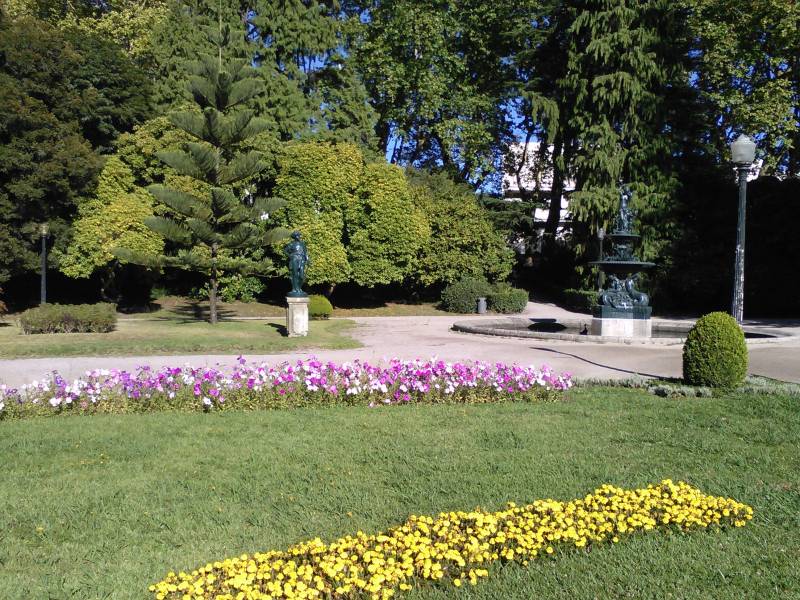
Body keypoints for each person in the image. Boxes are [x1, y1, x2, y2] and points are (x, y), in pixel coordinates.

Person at [284, 231, 309, 297]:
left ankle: (299, 287)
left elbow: (305, 253)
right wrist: (290, 256)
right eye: (297, 235)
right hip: (294, 259)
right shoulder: (291, 244)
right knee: (295, 274)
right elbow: (285, 251)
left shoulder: (302, 244)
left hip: (301, 259)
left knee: (301, 275)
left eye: (299, 235)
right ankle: (295, 289)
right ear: (294, 237)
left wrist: (308, 260)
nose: (299, 236)